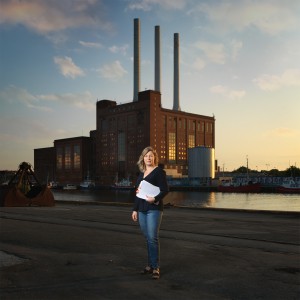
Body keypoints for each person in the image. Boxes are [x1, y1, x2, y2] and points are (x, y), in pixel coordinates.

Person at [132, 146, 169, 280]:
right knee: (148, 238)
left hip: (154, 209)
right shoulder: (141, 174)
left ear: (154, 158)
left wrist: (155, 199)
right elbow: (138, 193)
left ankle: (156, 267)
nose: (149, 158)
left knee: (153, 238)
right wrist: (134, 209)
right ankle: (150, 265)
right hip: (141, 209)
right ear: (143, 158)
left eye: (151, 156)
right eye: (146, 155)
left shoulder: (159, 172)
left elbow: (165, 190)